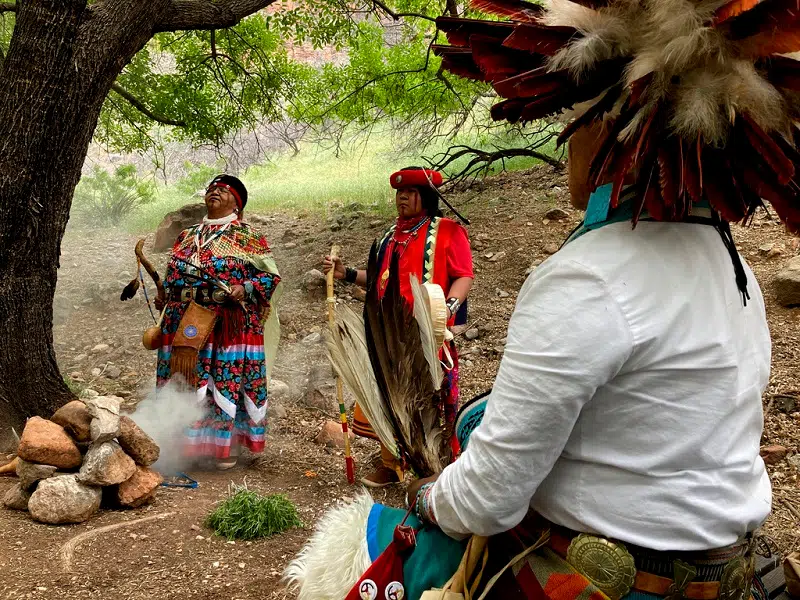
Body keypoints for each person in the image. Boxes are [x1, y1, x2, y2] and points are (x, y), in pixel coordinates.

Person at [323, 166, 474, 487]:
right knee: (386, 394)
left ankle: (438, 468)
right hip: (387, 332)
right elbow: (378, 277)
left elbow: (464, 275)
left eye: (410, 193)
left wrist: (447, 308)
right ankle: (391, 464)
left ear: (427, 197)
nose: (401, 198)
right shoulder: (388, 237)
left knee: (430, 396)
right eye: (399, 193)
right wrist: (346, 273)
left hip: (428, 330)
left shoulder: (447, 231)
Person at [155, 174, 282, 470]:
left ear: (237, 203)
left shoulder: (247, 236)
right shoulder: (187, 236)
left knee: (224, 379)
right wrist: (167, 296)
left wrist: (246, 288)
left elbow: (269, 276)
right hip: (184, 320)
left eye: (223, 190)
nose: (214, 192)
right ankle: (184, 445)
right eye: (212, 188)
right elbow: (172, 274)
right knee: (184, 377)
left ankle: (224, 447)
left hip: (227, 321)